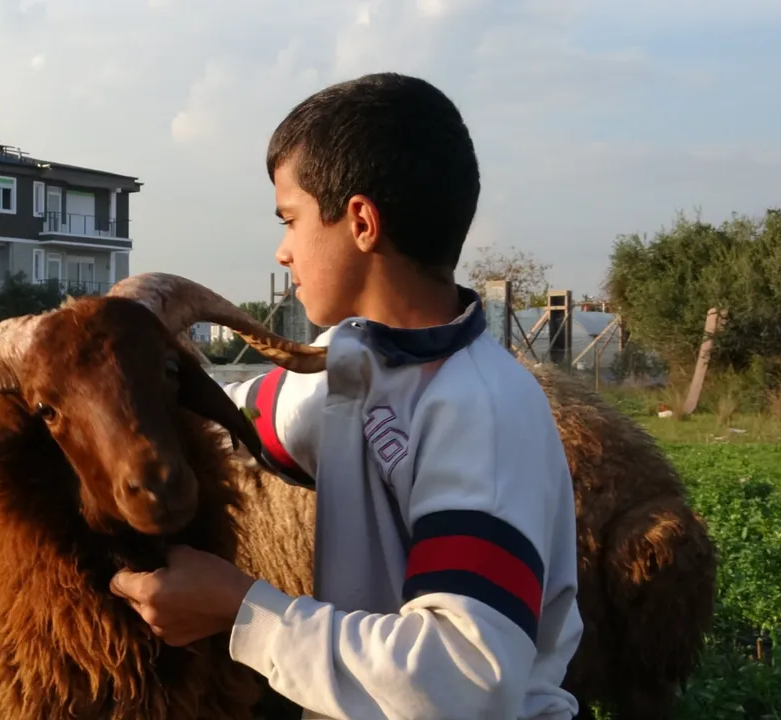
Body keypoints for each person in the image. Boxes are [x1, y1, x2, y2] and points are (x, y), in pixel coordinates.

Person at [109, 72, 582, 719]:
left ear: (360, 221)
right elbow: (235, 416)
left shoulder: (482, 408)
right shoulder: (353, 372)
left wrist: (243, 611)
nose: (282, 251)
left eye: (291, 219)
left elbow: (466, 677)